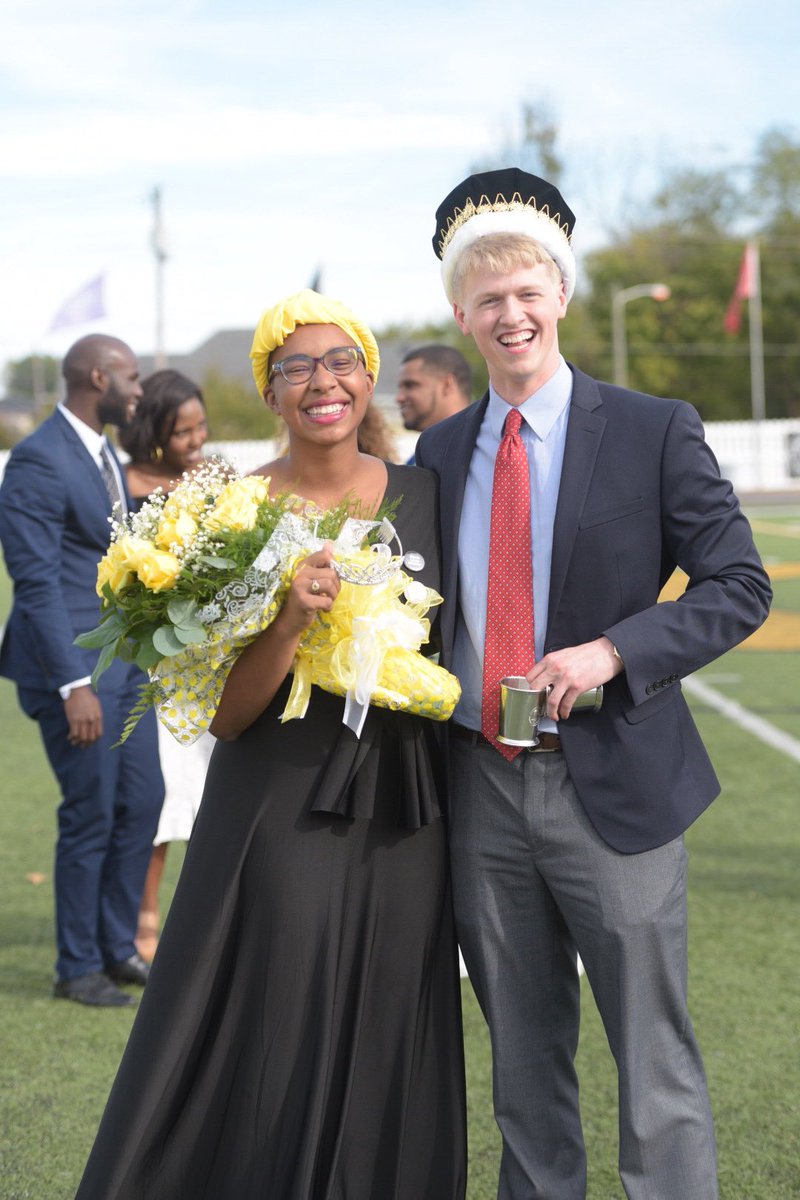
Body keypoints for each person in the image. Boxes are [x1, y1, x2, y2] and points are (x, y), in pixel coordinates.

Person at [415, 168, 772, 1200]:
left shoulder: (653, 427)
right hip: (479, 789)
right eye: (487, 299)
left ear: (560, 295)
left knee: (652, 1066)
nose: (509, 314)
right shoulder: (437, 454)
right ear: (459, 314)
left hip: (609, 787)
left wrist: (611, 653)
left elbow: (737, 584)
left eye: (527, 292)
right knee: (521, 1072)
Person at [75, 290, 467, 1199]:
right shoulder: (232, 514)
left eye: (338, 362)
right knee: (275, 1012)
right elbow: (224, 715)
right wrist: (288, 618)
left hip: (407, 805)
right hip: (278, 799)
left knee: (390, 1017)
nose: (320, 381)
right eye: (294, 367)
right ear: (271, 391)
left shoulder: (429, 495)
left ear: (367, 377)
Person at [0, 334, 164, 1008]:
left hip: (119, 663)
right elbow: (34, 583)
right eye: (131, 377)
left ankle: (116, 945)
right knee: (92, 813)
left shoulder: (102, 453)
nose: (139, 391)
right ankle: (76, 966)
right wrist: (73, 686)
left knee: (143, 801)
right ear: (99, 376)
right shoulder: (39, 460)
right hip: (70, 672)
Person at [117, 368, 215, 961]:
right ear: (153, 430)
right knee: (158, 796)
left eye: (201, 426)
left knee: (207, 794)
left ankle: (202, 923)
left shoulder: (212, 482)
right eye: (183, 431)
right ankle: (141, 915)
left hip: (206, 666)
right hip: (148, 670)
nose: (196, 440)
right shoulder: (124, 484)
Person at [396, 343, 472, 465]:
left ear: (447, 385)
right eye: (400, 388)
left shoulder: (481, 455)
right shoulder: (419, 460)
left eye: (410, 385)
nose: (399, 398)